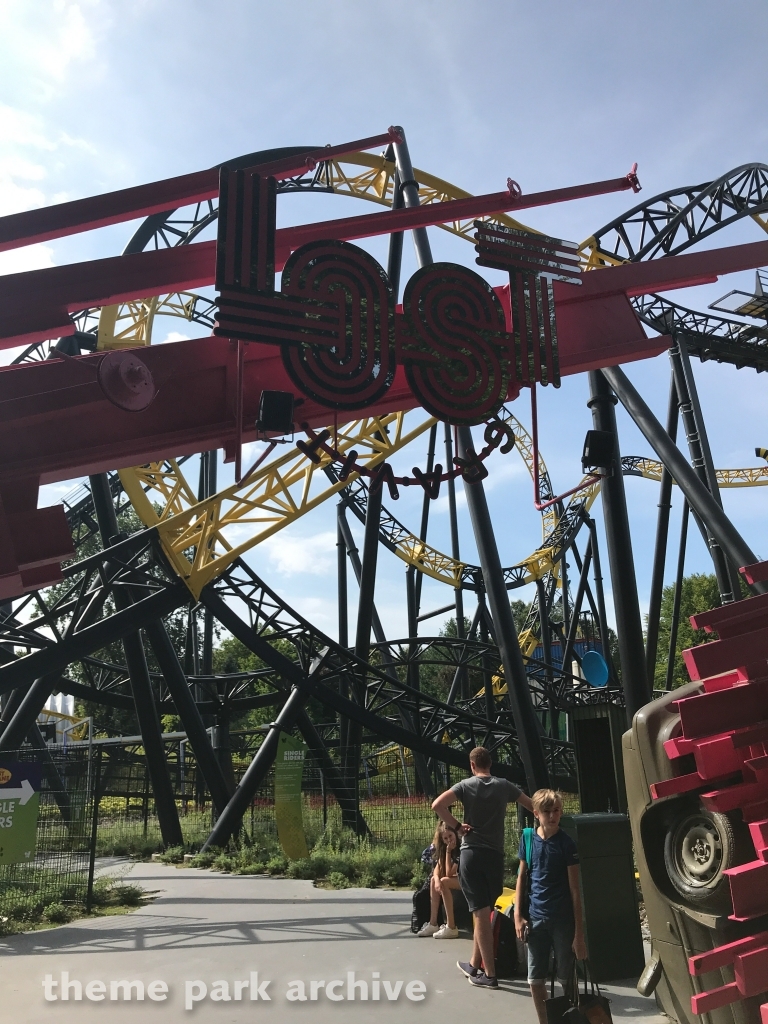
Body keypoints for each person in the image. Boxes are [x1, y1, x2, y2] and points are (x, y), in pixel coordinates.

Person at [432, 746, 533, 989]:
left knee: (478, 911)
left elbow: (438, 805)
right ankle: (474, 964)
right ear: (491, 764)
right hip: (495, 856)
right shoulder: (504, 785)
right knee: (486, 909)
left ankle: (489, 974)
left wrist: (457, 826)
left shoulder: (466, 786)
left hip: (472, 853)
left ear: (472, 765)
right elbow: (531, 805)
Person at [514, 789, 587, 1024]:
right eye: (547, 811)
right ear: (536, 813)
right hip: (536, 920)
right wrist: (518, 915)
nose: (552, 816)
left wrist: (579, 934)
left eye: (556, 811)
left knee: (566, 976)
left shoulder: (566, 844)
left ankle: (571, 1019)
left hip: (562, 921)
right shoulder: (528, 839)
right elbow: (522, 878)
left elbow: (575, 890)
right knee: (535, 979)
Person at [416, 820, 463, 938]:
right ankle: (433, 924)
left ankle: (451, 927)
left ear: (455, 834)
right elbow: (437, 868)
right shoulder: (444, 848)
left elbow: (448, 872)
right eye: (445, 838)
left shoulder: (460, 849)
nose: (449, 840)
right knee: (434, 880)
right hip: (458, 878)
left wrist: (448, 852)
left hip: (469, 879)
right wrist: (436, 879)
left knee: (444, 882)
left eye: (450, 836)